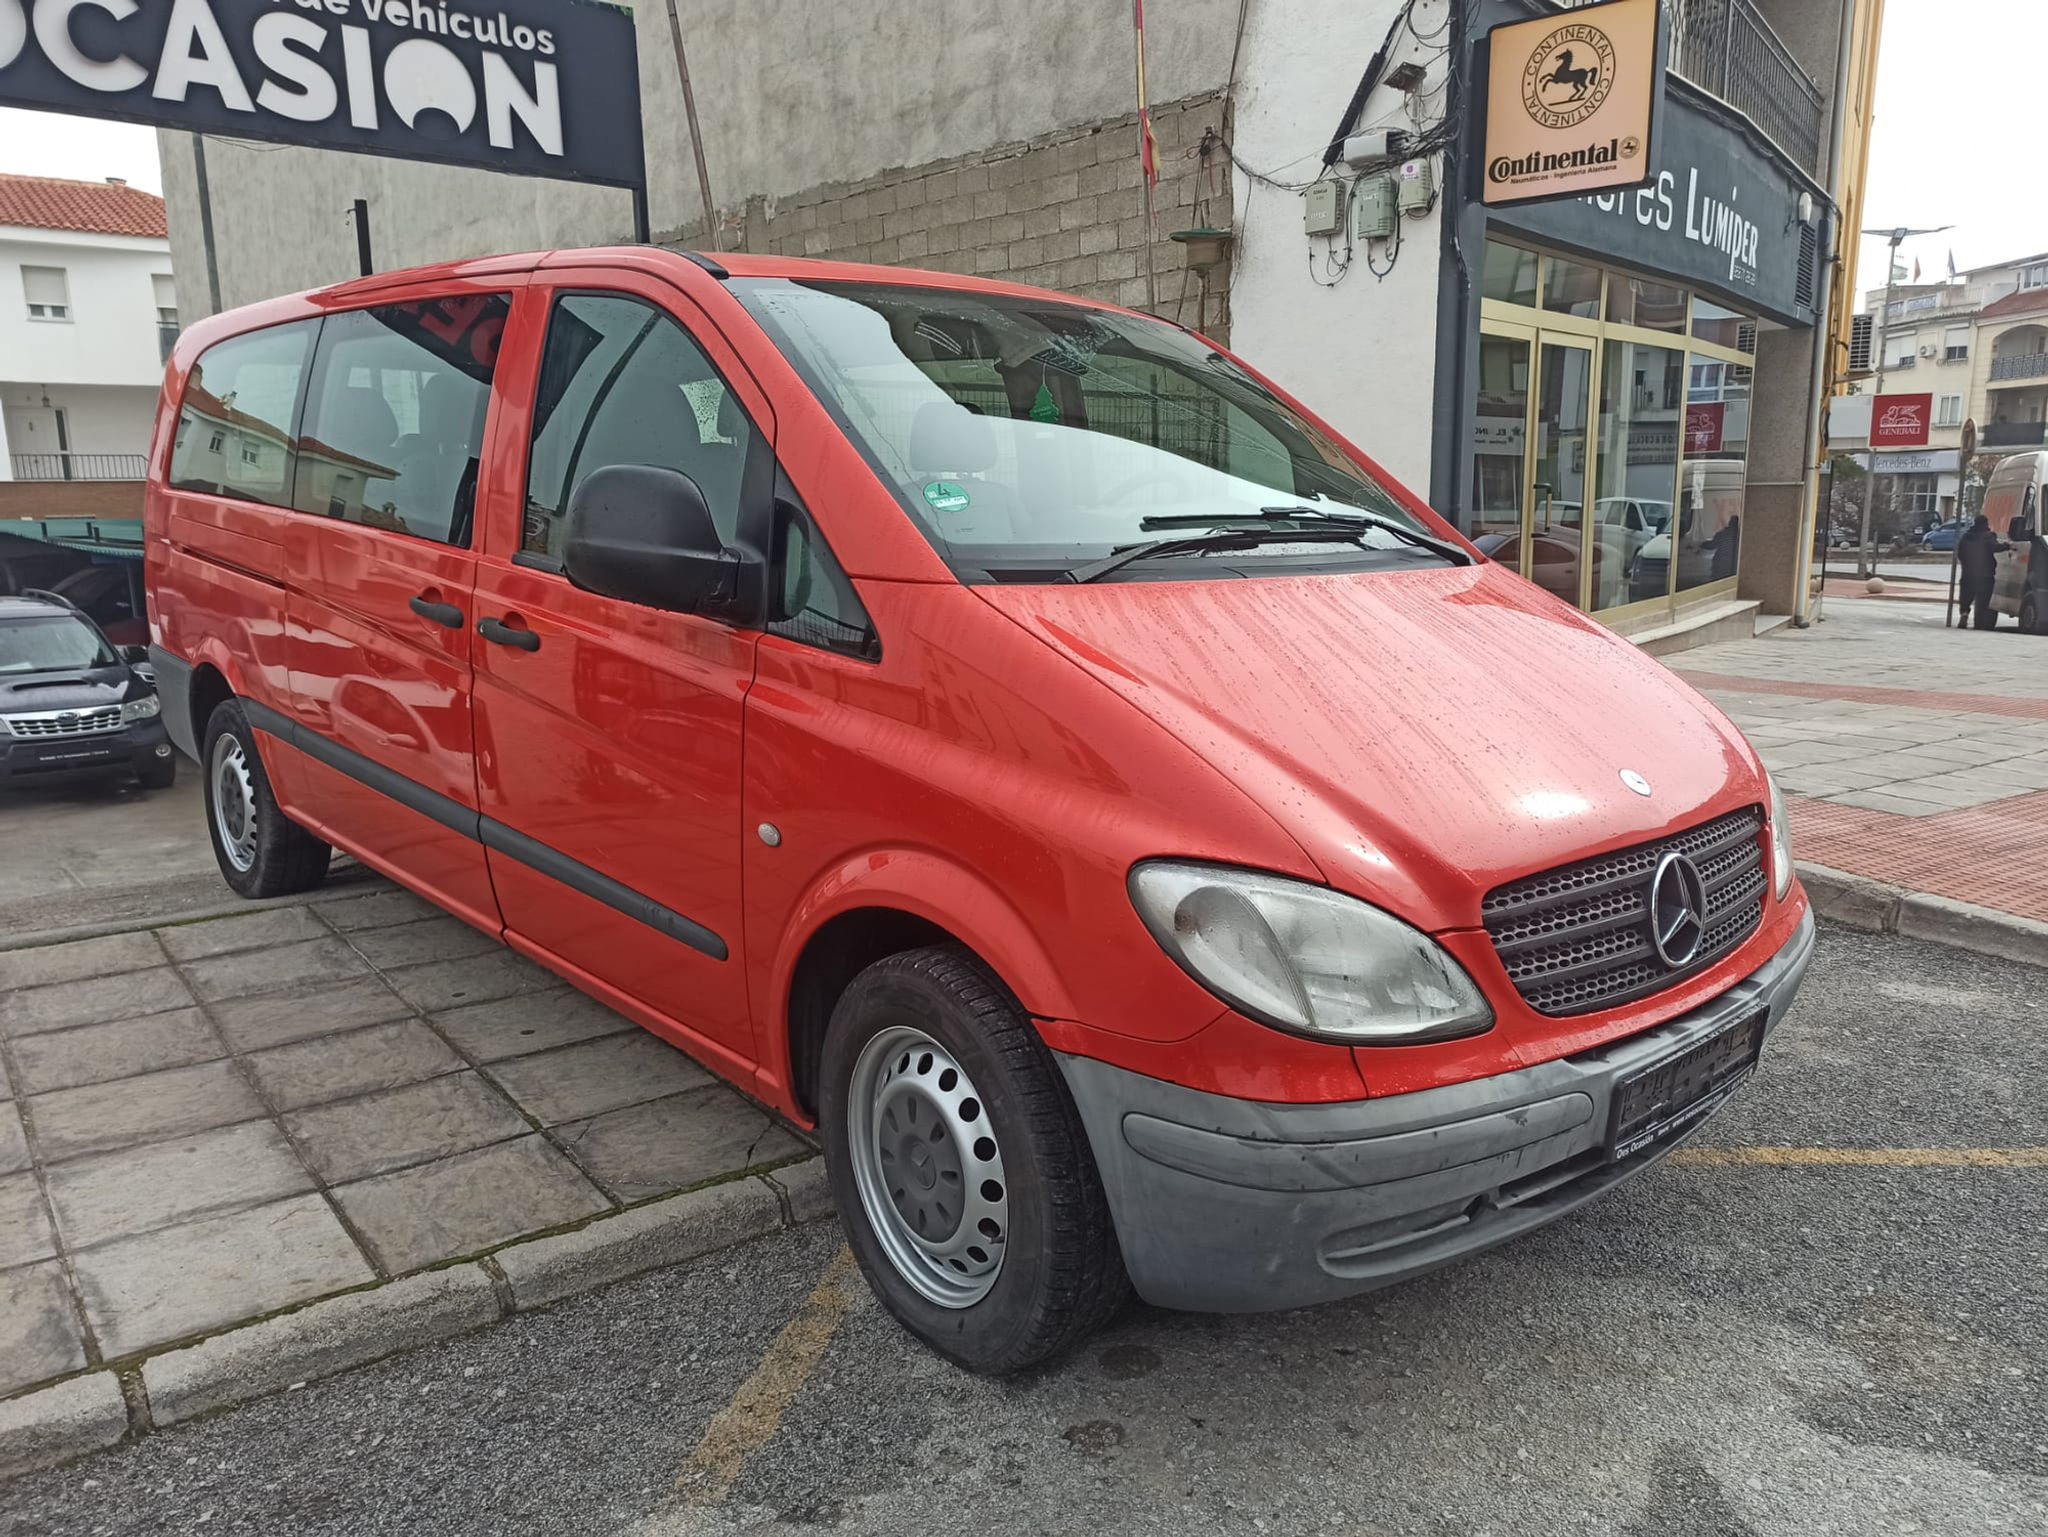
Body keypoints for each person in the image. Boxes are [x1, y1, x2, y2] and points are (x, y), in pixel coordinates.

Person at [1956, 514, 2009, 630]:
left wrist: (1967, 564)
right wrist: (2006, 546)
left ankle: (1964, 614)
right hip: (1985, 575)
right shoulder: (1988, 536)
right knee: (1983, 599)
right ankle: (1979, 622)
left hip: (1968, 573)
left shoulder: (1966, 537)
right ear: (1986, 524)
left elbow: (1960, 553)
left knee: (1966, 596)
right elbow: (1995, 547)